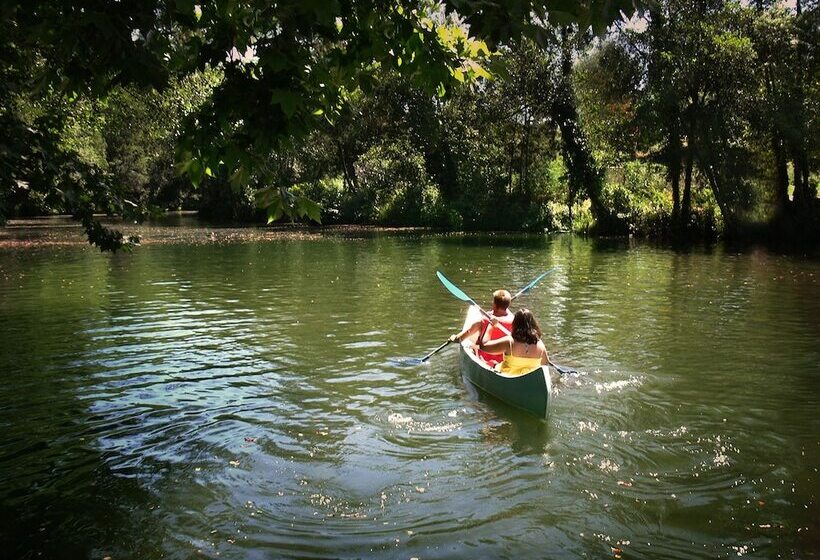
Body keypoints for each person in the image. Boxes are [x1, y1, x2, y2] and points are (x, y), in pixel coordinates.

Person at [473, 308, 549, 376]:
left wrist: (491, 325)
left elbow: (484, 346)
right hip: (530, 378)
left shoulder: (509, 342)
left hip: (509, 376)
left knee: (491, 363)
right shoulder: (540, 344)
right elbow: (545, 363)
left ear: (515, 323)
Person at [449, 289, 515, 367]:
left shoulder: (484, 321)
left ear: (494, 305)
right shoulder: (514, 320)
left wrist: (454, 338)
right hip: (505, 360)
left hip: (485, 360)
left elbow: (462, 338)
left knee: (474, 346)